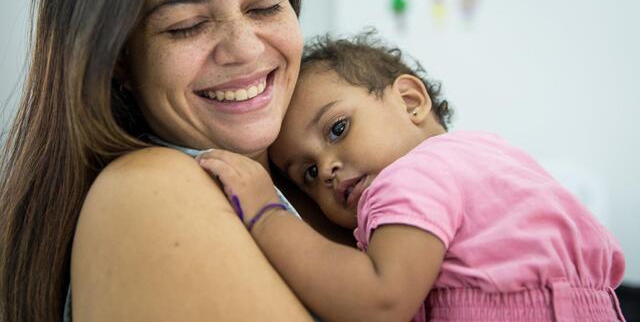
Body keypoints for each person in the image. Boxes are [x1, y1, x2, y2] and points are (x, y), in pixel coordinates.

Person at [0, 0, 349, 322]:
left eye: (265, 6)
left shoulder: (325, 181)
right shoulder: (148, 194)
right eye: (187, 25)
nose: (244, 49)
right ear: (119, 58)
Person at [199, 31, 627, 322]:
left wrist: (265, 211)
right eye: (307, 172)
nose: (326, 169)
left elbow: (381, 300)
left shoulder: (411, 176)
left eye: (337, 128)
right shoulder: (486, 154)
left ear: (409, 100)